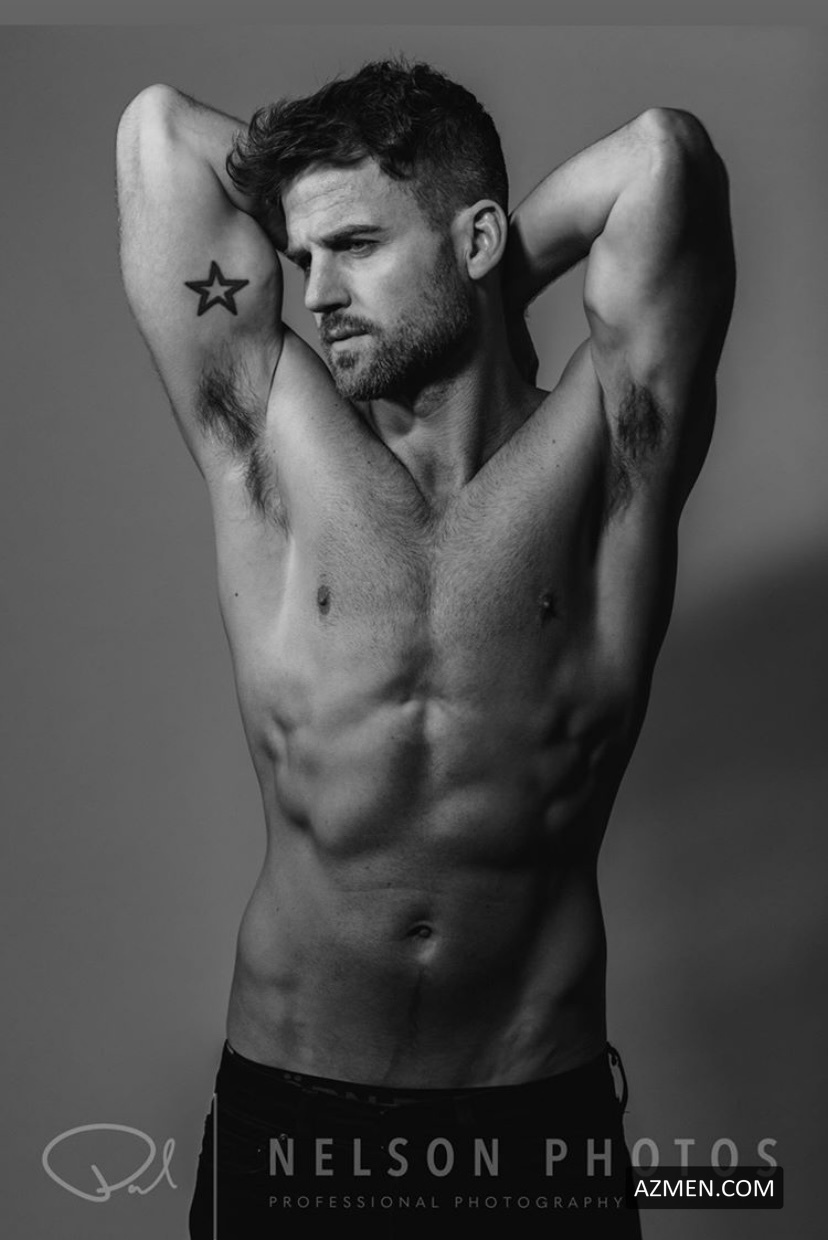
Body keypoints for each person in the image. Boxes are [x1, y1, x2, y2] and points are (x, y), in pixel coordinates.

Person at [116, 57, 734, 1236]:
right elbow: (156, 137)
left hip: (531, 1127)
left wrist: (487, 281)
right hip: (289, 1127)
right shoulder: (271, 439)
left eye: (354, 246)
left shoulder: (608, 447)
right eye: (300, 257)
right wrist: (405, 248)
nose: (316, 292)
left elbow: (665, 161)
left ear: (480, 236)